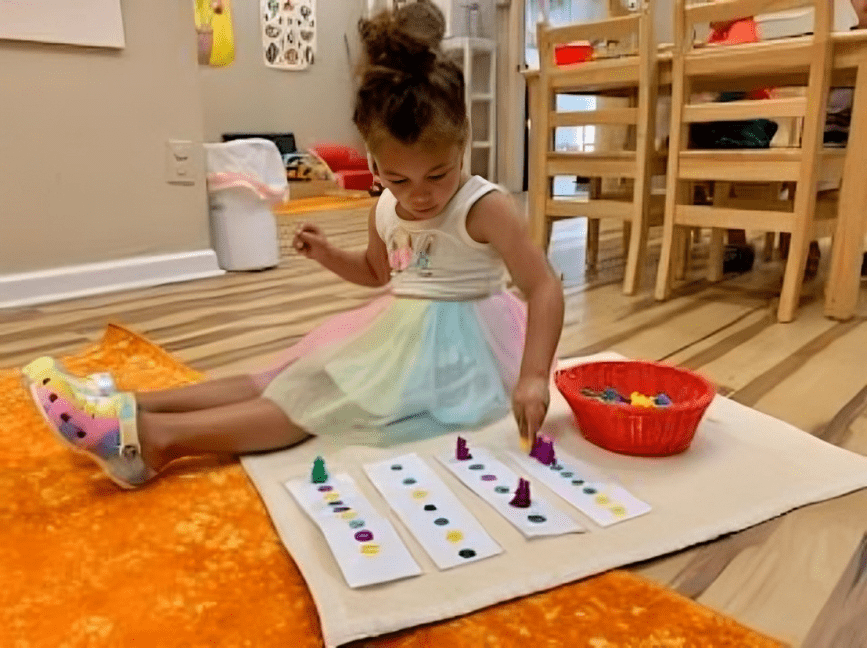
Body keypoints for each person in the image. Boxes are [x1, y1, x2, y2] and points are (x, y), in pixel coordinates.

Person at [22, 0, 565, 490]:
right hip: (402, 331)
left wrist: (535, 375)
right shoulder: (382, 207)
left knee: (312, 402)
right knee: (280, 376)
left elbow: (543, 287)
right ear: (373, 161)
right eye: (399, 179)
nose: (420, 197)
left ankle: (153, 442)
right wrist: (330, 255)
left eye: (438, 174)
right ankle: (120, 404)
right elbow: (379, 272)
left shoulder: (484, 205)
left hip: (461, 354)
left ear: (463, 140)